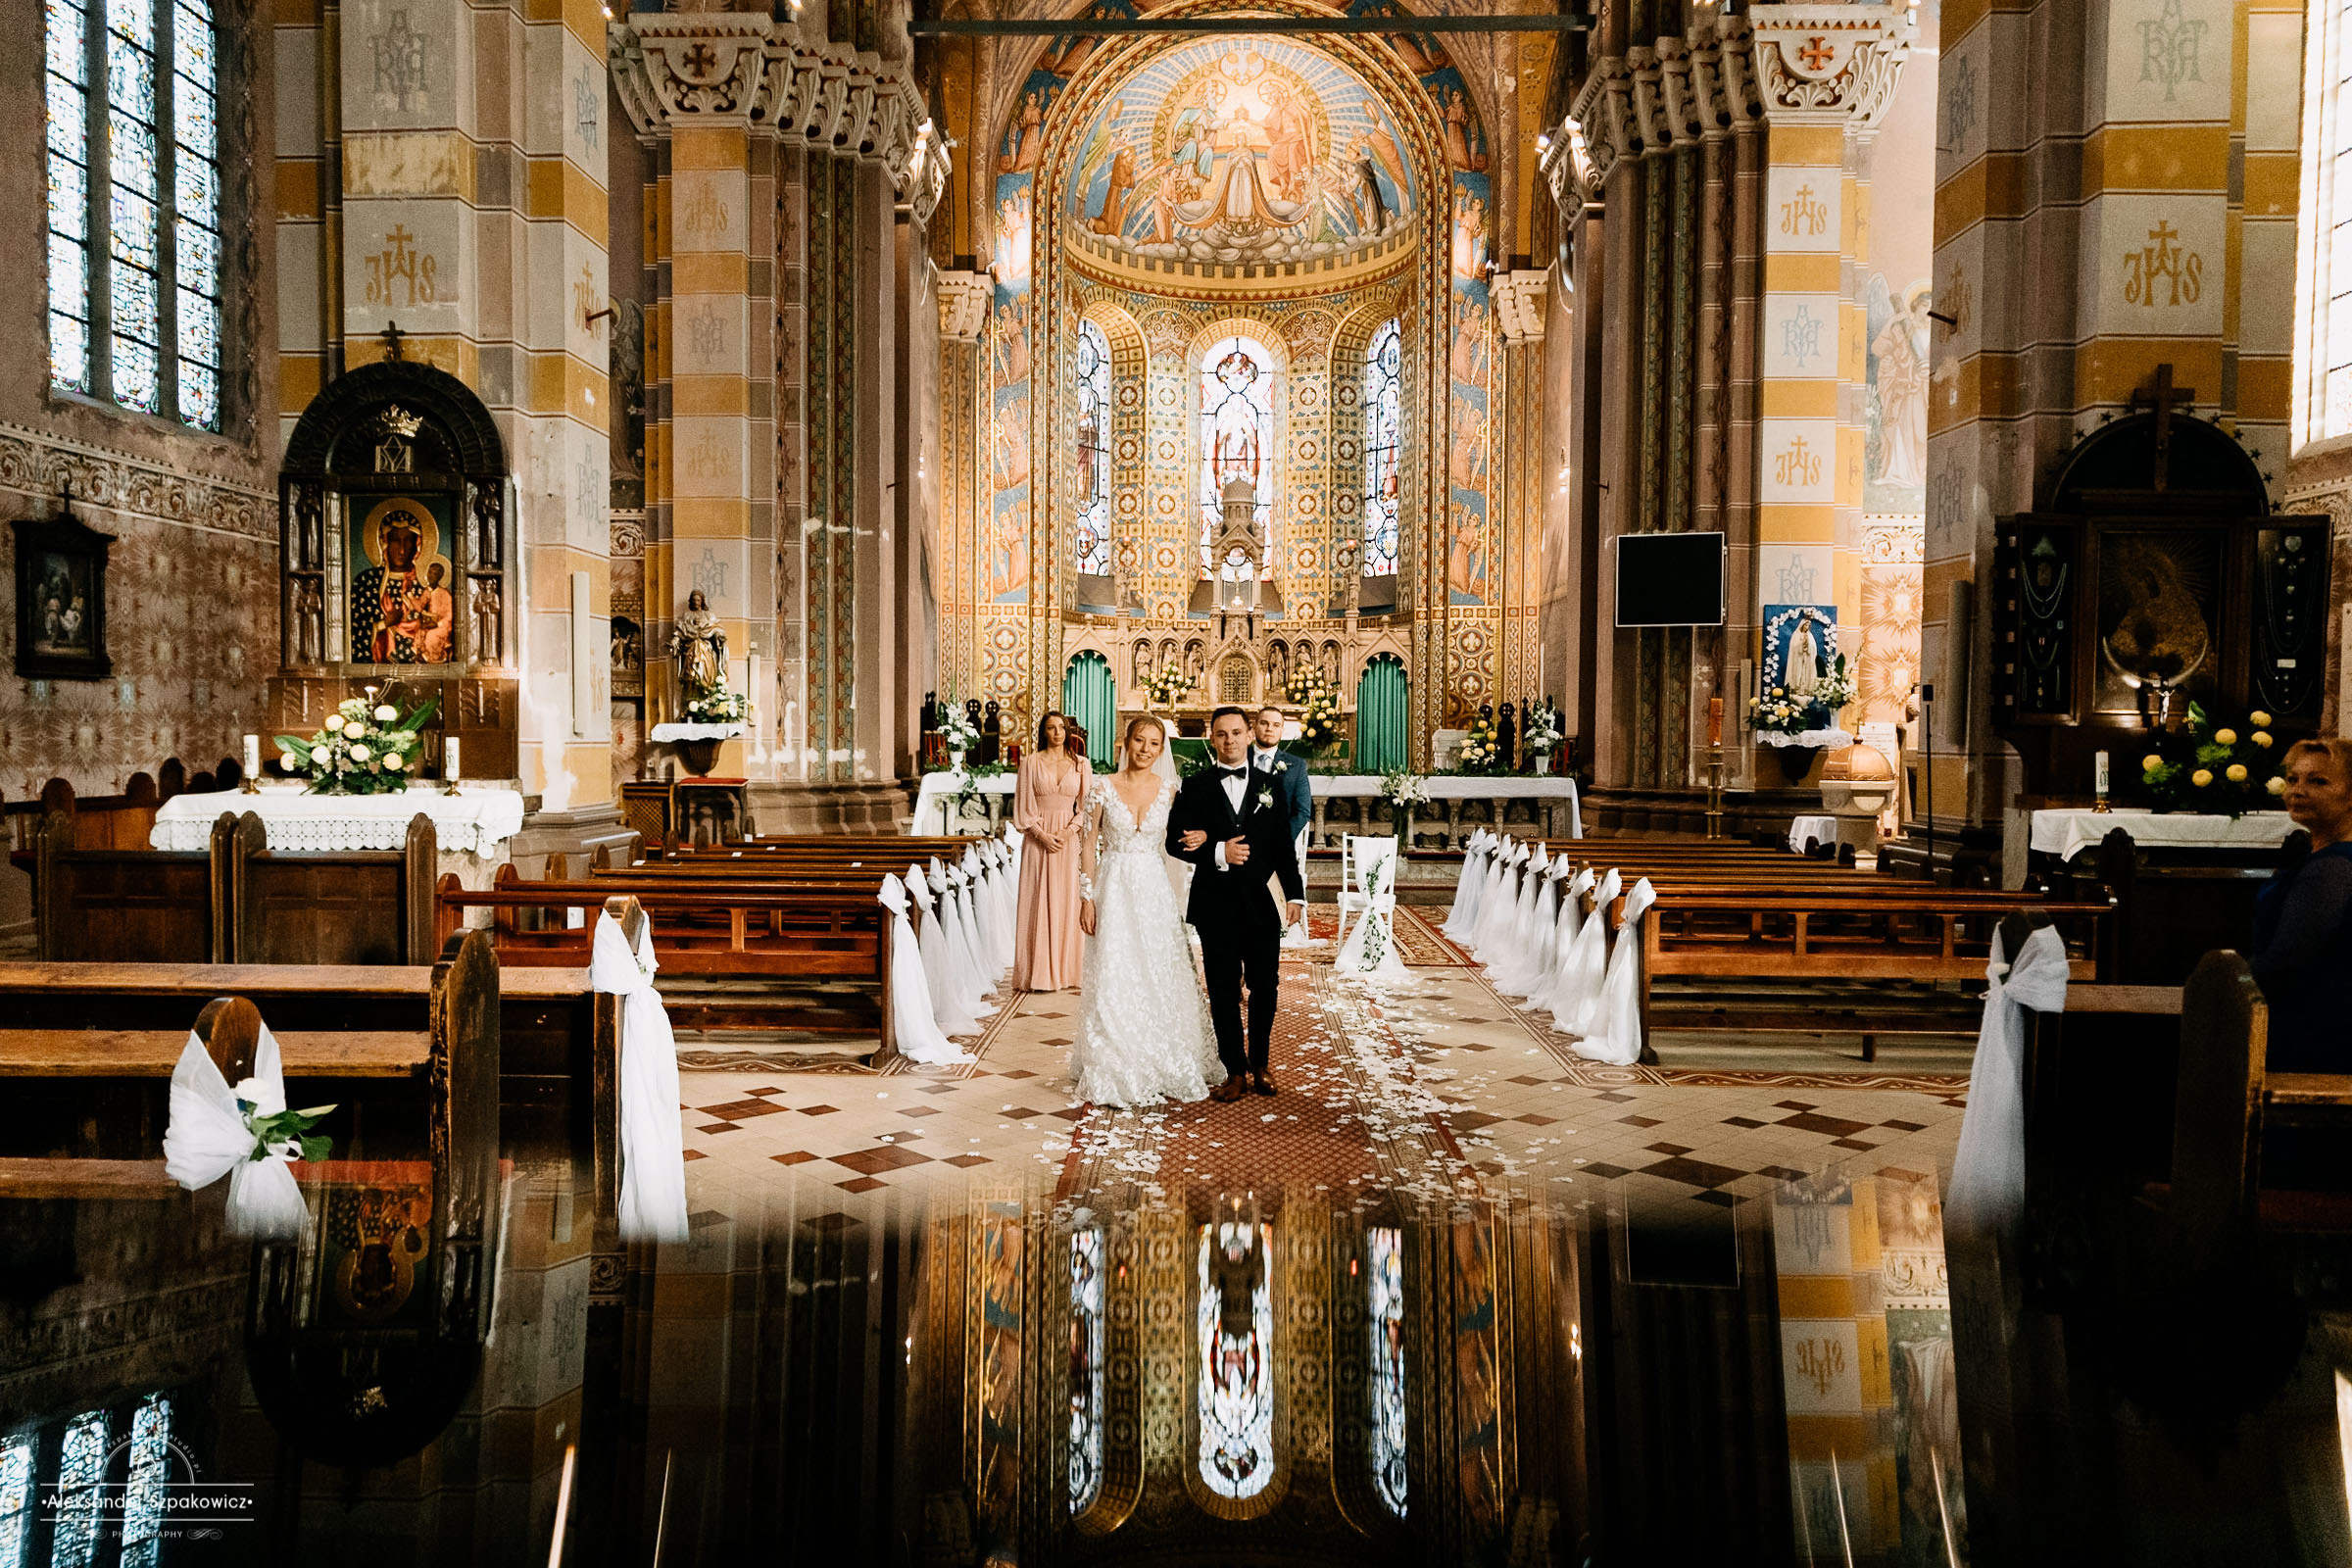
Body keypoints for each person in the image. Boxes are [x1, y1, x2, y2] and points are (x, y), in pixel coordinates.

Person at [1068, 717, 1221, 1105]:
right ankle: (1114, 1055)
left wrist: (1205, 836)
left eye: (1154, 743)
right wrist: (1087, 897)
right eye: (1140, 740)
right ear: (1127, 741)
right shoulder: (1102, 787)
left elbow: (1190, 834)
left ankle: (1162, 1049)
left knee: (1158, 969)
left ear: (1161, 750)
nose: (1146, 749)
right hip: (1114, 889)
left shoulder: (1172, 790)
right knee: (1114, 969)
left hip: (1153, 890)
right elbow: (1087, 846)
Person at [1165, 706, 1305, 1102]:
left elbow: (1282, 847)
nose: (1230, 740)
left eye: (1236, 733)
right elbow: (1174, 841)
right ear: (1212, 739)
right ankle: (1234, 1070)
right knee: (1223, 990)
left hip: (1260, 904)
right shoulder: (1195, 786)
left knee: (1266, 986)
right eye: (1222, 734)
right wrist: (1217, 850)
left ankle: (1260, 1063)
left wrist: (1294, 894)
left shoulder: (1270, 785)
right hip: (1214, 904)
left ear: (1249, 735)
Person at [2249, 737, 2352, 1073]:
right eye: (2293, 779)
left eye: (2317, 781)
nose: (2297, 790)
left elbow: (2287, 961)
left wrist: (2230, 988)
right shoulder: (2323, 859)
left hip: (2314, 1029)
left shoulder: (2333, 867)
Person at [1012, 711, 1090, 991]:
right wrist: (1042, 835)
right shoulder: (1030, 763)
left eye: (1061, 727)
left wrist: (1068, 833)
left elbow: (1086, 808)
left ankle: (1067, 971)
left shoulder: (1082, 765)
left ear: (1069, 731)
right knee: (1037, 900)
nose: (1057, 732)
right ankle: (1039, 972)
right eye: (1050, 727)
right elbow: (1022, 807)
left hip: (1068, 841)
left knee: (1067, 901)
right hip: (1037, 840)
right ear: (1043, 732)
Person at [1249, 705, 1313, 945]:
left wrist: (1280, 839)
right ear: (1255, 725)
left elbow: (1303, 810)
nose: (1269, 729)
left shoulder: (1296, 766)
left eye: (1276, 725)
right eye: (1265, 723)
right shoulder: (1240, 757)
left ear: (1282, 730)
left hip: (1279, 847)